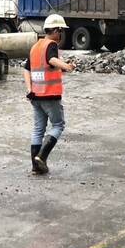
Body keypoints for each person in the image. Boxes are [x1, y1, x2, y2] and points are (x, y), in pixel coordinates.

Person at [23, 13, 76, 175]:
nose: (61, 35)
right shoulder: (51, 45)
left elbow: (26, 69)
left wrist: (29, 89)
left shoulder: (35, 46)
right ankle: (42, 157)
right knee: (58, 125)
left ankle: (35, 166)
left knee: (38, 129)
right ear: (56, 30)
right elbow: (52, 60)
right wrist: (66, 66)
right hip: (50, 95)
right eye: (61, 31)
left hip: (36, 95)